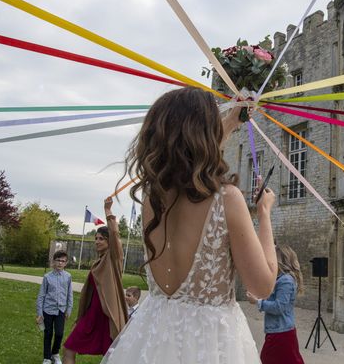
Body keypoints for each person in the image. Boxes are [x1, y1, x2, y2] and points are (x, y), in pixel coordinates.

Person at [102, 87, 277, 363]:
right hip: (211, 343)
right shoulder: (227, 199)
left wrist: (232, 121)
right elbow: (263, 285)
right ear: (204, 136)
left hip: (154, 334)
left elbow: (193, 167)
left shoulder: (153, 198)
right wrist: (264, 213)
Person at [63, 198, 128, 363]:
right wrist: (80, 317)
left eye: (101, 239)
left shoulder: (114, 259)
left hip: (108, 316)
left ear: (109, 242)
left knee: (111, 356)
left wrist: (108, 212)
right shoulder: (97, 262)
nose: (97, 241)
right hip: (92, 315)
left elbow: (115, 234)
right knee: (69, 347)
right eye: (96, 238)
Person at [247, 244, 305, 364]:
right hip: (280, 331)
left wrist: (258, 302)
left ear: (280, 260)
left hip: (281, 332)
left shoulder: (285, 281)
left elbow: (279, 307)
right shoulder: (282, 279)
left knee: (267, 359)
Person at [36, 250, 73, 364]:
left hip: (61, 310)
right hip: (48, 310)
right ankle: (47, 358)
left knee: (59, 333)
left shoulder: (68, 276)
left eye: (63, 261)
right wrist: (39, 313)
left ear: (66, 263)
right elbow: (41, 295)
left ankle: (55, 353)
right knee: (48, 333)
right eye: (58, 260)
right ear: (53, 261)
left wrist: (69, 309)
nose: (60, 263)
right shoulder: (47, 277)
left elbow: (69, 294)